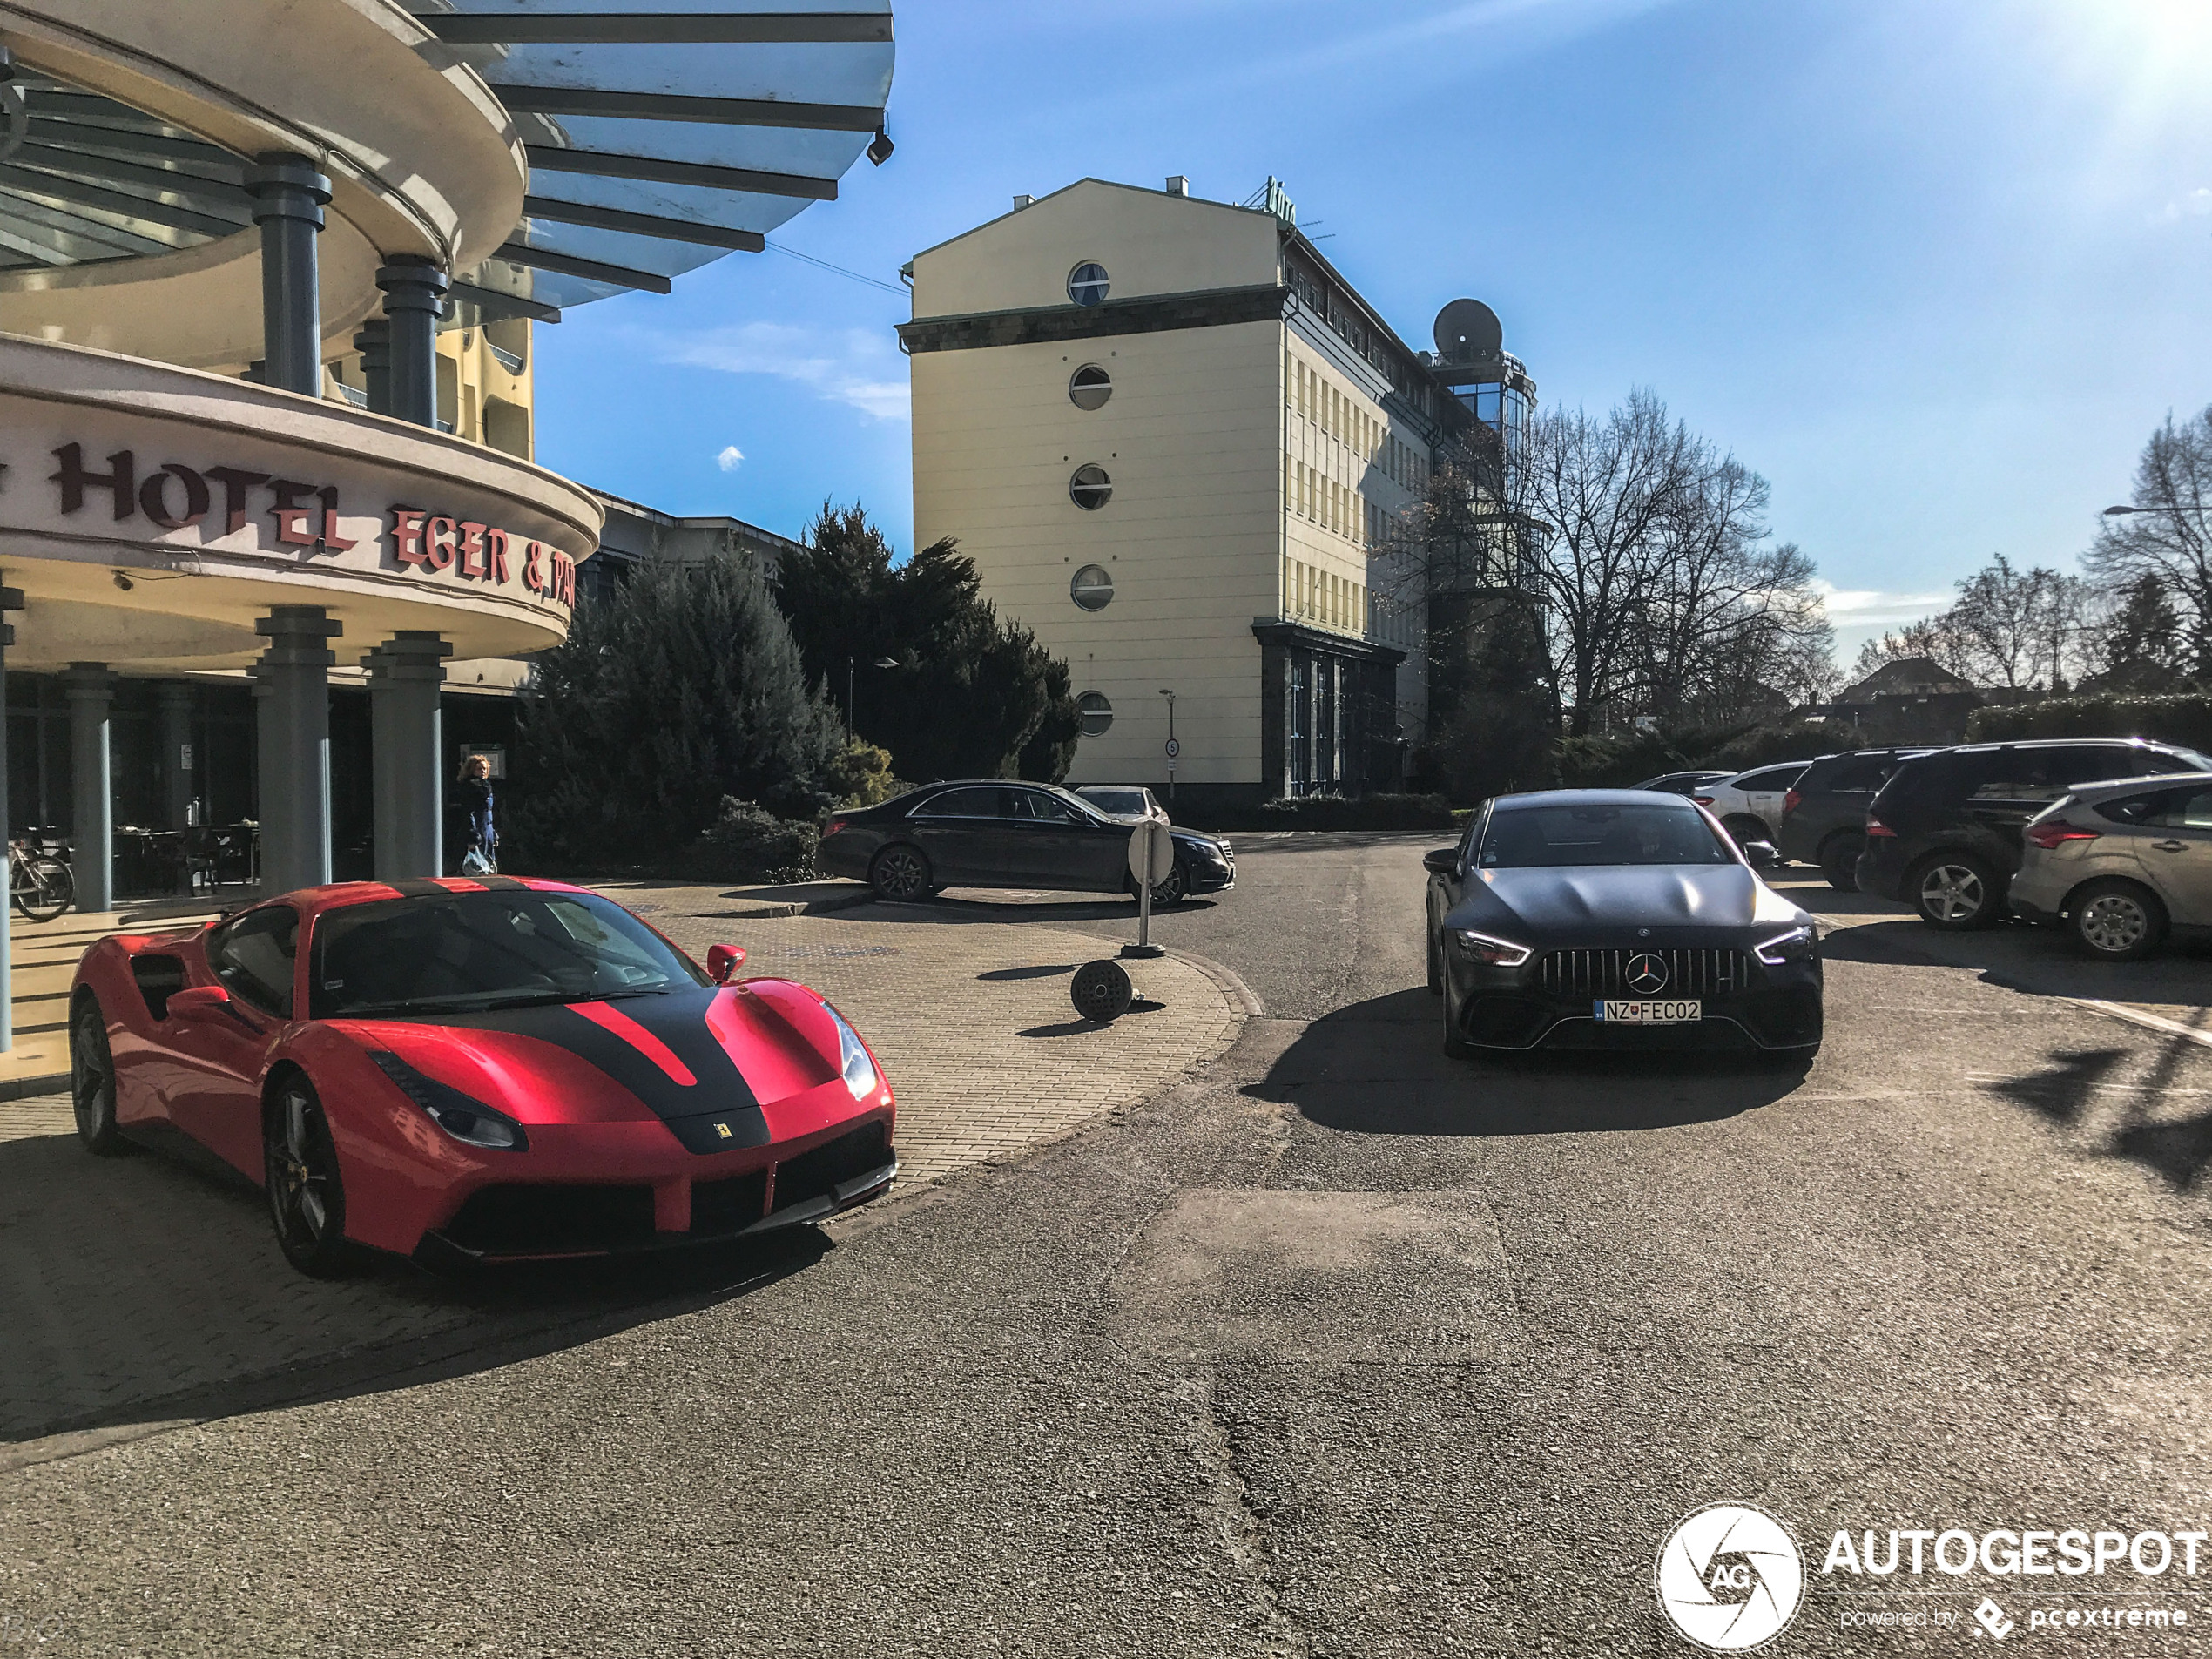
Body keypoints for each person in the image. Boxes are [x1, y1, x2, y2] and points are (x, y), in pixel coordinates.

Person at [456, 753, 496, 874]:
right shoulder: (469, 787)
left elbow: (488, 812)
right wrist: (472, 837)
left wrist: (493, 834)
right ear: (472, 770)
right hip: (477, 831)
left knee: (488, 866)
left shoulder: (486, 786)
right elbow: (468, 813)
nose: (483, 771)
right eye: (479, 768)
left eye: (485, 768)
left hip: (487, 831)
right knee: (476, 868)